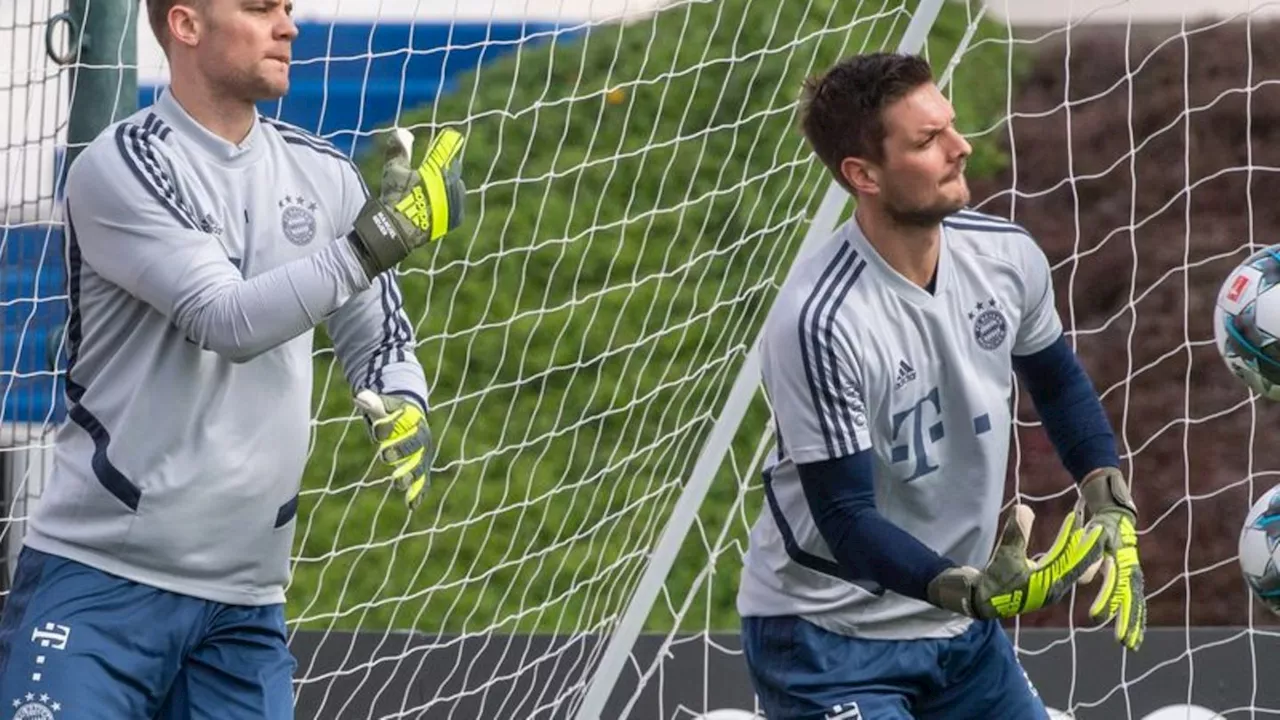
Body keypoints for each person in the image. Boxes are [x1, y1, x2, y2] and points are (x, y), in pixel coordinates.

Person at [0, 0, 465, 716]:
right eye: (258, 8)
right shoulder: (119, 166)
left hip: (245, 608)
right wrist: (377, 241)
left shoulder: (327, 176)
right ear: (185, 25)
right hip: (99, 587)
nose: (287, 26)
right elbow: (227, 319)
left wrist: (403, 400)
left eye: (286, 8)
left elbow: (378, 336)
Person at [736, 52, 1146, 719]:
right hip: (830, 637)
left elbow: (1058, 383)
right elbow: (844, 517)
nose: (961, 149)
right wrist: (967, 589)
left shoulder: (1006, 257)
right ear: (862, 174)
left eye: (950, 126)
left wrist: (1108, 495)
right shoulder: (819, 321)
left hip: (958, 632)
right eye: (927, 141)